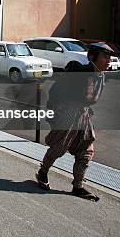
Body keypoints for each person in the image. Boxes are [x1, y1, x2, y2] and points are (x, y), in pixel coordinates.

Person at [34, 42, 114, 201]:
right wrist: (53, 113)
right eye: (105, 56)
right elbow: (55, 91)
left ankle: (78, 186)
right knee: (60, 147)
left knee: (86, 151)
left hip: (84, 115)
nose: (108, 60)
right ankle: (43, 172)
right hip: (67, 113)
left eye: (109, 57)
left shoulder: (101, 76)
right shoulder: (79, 72)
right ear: (92, 57)